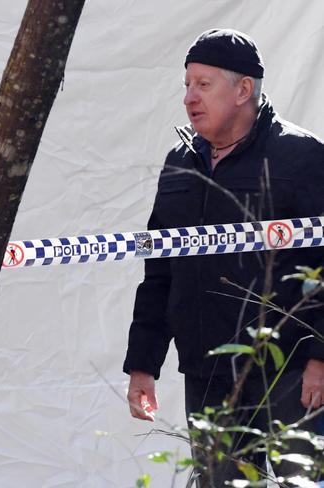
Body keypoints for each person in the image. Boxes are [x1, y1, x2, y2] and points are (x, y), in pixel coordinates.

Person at [123, 29, 324, 485]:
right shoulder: (180, 163)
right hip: (208, 371)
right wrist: (143, 364)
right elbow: (159, 271)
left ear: (243, 90)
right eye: (186, 85)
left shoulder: (301, 157)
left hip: (291, 372)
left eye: (203, 85)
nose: (189, 98)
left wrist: (320, 359)